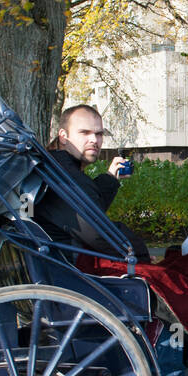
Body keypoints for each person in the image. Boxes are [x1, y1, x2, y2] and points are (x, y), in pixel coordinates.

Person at [33, 103, 148, 259]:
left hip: (47, 258)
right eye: (84, 132)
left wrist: (110, 178)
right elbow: (99, 233)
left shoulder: (53, 165)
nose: (94, 140)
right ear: (63, 136)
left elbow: (90, 208)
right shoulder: (66, 176)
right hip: (64, 268)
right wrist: (139, 253)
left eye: (99, 134)